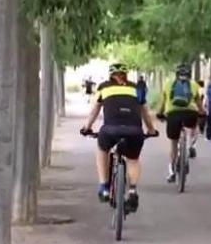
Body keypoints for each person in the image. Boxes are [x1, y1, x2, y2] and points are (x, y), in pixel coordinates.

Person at [80, 63, 158, 212]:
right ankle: (132, 190)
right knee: (133, 159)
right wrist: (151, 130)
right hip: (134, 131)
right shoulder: (136, 88)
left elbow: (95, 110)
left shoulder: (104, 87)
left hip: (110, 130)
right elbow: (145, 112)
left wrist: (87, 128)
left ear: (111, 75)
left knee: (102, 149)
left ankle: (103, 186)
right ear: (126, 75)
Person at [157, 63, 202, 183]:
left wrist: (159, 113)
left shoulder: (168, 84)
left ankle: (172, 170)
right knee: (191, 129)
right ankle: (187, 150)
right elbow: (198, 103)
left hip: (173, 115)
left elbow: (163, 102)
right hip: (190, 114)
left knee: (173, 142)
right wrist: (202, 113)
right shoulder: (194, 85)